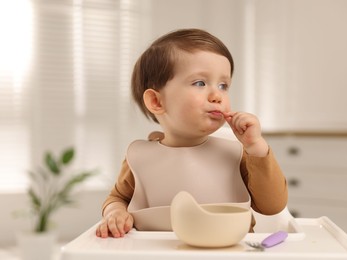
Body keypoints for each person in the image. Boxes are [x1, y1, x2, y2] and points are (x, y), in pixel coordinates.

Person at [96, 28, 288, 238]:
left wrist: (256, 147)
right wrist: (115, 213)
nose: (217, 95)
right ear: (157, 101)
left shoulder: (237, 153)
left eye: (223, 85)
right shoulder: (140, 157)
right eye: (200, 83)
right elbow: (118, 198)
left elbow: (272, 206)